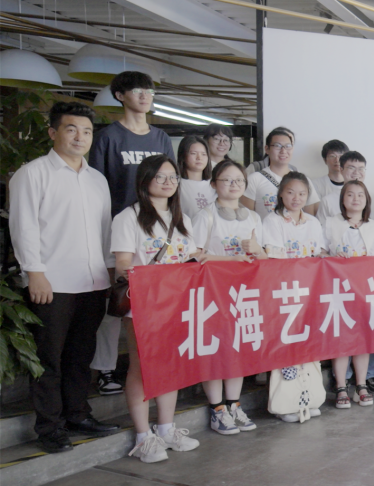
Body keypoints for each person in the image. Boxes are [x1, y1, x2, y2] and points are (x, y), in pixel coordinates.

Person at [11, 102, 121, 453]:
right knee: (49, 359)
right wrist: (34, 273)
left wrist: (108, 272)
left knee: (80, 355)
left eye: (86, 131)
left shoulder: (96, 179)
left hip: (92, 282)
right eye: (71, 129)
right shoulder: (33, 174)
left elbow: (105, 230)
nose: (80, 137)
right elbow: (23, 227)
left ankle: (78, 414)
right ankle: (50, 427)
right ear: (53, 132)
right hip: (51, 283)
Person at [89, 71, 176, 396]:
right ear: (120, 95)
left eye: (149, 91)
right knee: (117, 298)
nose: (144, 96)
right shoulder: (108, 137)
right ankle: (105, 368)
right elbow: (97, 187)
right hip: (118, 228)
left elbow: (171, 180)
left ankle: (153, 362)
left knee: (155, 301)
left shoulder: (160, 137)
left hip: (155, 229)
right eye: (137, 90)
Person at [112, 154, 200, 463]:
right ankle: (143, 437)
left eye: (173, 177)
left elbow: (192, 258)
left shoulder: (182, 219)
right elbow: (122, 264)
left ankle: (166, 429)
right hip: (144, 306)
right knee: (141, 367)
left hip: (177, 304)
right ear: (145, 180)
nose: (168, 182)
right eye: (160, 176)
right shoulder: (128, 217)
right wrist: (150, 275)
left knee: (170, 366)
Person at [192, 161, 265, 435]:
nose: (234, 185)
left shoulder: (254, 218)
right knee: (213, 348)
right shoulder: (205, 216)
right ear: (213, 184)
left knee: (238, 348)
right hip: (213, 293)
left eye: (239, 180)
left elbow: (264, 258)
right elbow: (194, 255)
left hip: (244, 293)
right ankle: (217, 409)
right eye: (227, 180)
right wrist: (231, 260)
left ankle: (234, 404)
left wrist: (258, 249)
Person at [263, 172, 329, 419]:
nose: (296, 198)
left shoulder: (312, 222)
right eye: (290, 192)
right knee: (286, 345)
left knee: (309, 345)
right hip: (284, 292)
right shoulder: (273, 220)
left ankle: (308, 398)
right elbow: (274, 258)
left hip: (309, 291)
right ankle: (286, 404)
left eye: (302, 193)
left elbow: (319, 253)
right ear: (281, 193)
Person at [324, 179, 374, 408]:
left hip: (364, 290)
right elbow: (320, 252)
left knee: (362, 338)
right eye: (350, 194)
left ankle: (361, 385)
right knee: (341, 338)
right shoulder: (331, 223)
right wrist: (332, 257)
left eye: (360, 195)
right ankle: (341, 386)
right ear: (343, 199)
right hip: (338, 290)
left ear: (367, 200)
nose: (355, 199)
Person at [241, 127, 320, 219]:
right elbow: (247, 216)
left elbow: (310, 216)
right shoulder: (254, 179)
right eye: (277, 146)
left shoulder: (303, 180)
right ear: (267, 149)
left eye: (288, 146)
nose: (283, 151)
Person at [177, 135, 216, 219]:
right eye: (193, 153)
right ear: (183, 156)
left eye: (203, 154)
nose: (199, 158)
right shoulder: (176, 184)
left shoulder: (214, 184)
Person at [310, 140, 349, 224]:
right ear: (325, 160)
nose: (337, 160)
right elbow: (315, 214)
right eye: (332, 156)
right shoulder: (315, 184)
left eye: (341, 156)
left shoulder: (354, 186)